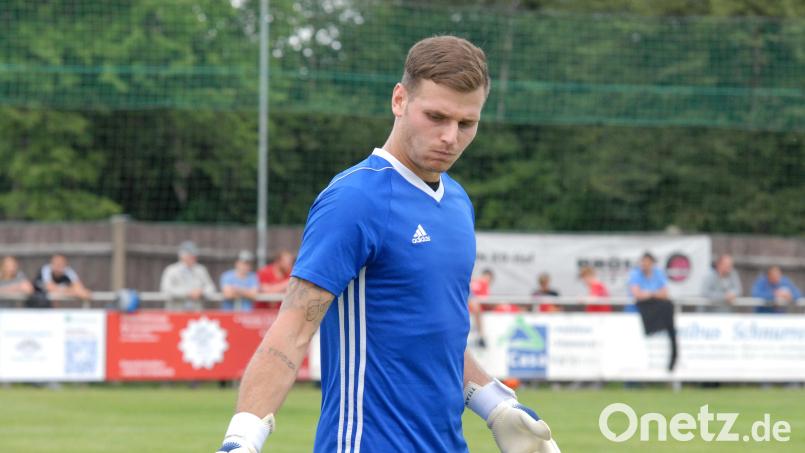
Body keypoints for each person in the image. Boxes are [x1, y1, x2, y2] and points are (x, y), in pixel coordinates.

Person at [216, 36, 559, 453]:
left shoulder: (457, 202)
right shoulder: (355, 198)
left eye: (466, 124)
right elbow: (293, 329)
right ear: (399, 100)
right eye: (436, 116)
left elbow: (436, 337)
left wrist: (496, 406)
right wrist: (243, 438)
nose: (450, 137)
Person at [627, 252, 677, 371]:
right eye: (643, 262)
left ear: (652, 264)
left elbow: (665, 294)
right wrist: (654, 294)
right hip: (637, 312)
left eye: (648, 262)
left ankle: (672, 359)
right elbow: (637, 295)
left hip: (655, 310)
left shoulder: (658, 274)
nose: (645, 265)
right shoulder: (635, 274)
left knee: (668, 306)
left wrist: (648, 294)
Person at [160, 241, 216, 311]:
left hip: (196, 314)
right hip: (176, 312)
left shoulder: (201, 270)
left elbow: (211, 288)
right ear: (182, 256)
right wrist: (187, 293)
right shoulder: (171, 270)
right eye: (190, 255)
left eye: (194, 256)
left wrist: (201, 292)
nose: (193, 258)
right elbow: (166, 290)